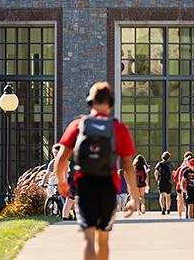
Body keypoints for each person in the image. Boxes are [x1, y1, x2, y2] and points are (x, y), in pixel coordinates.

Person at [55, 81, 139, 260]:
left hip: (84, 184)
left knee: (88, 237)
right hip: (108, 185)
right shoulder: (119, 128)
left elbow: (61, 159)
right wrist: (134, 197)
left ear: (89, 102)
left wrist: (62, 182)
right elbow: (127, 166)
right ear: (110, 103)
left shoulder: (78, 125)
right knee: (103, 238)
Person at [174, 152, 194, 218]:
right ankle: (186, 214)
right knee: (185, 202)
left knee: (181, 202)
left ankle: (181, 216)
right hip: (182, 187)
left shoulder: (181, 168)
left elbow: (175, 178)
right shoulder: (183, 168)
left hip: (180, 187)